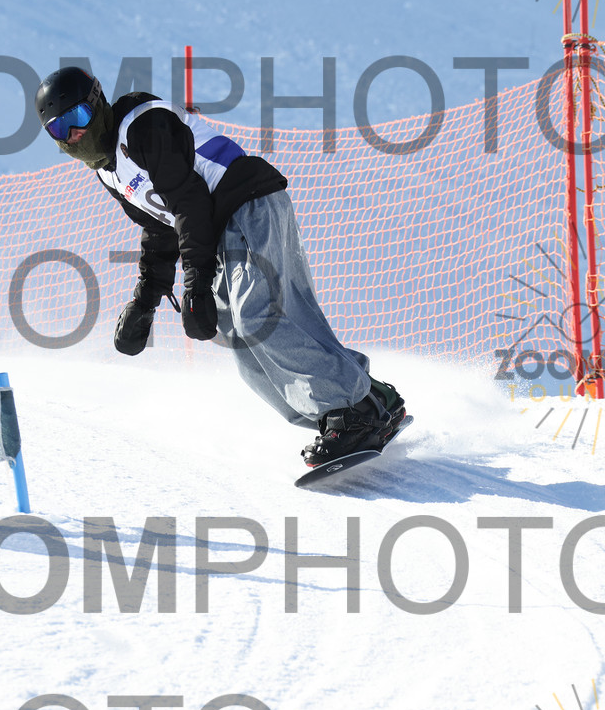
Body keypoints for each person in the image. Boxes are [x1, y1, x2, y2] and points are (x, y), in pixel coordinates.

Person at [35, 65, 407, 466]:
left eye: (78, 117)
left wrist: (195, 285)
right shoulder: (109, 172)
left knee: (257, 318)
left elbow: (190, 201)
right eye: (59, 129)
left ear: (97, 104)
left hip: (245, 203)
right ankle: (369, 398)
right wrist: (144, 303)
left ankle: (350, 413)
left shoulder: (142, 125)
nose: (73, 134)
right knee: (245, 344)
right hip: (221, 233)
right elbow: (160, 230)